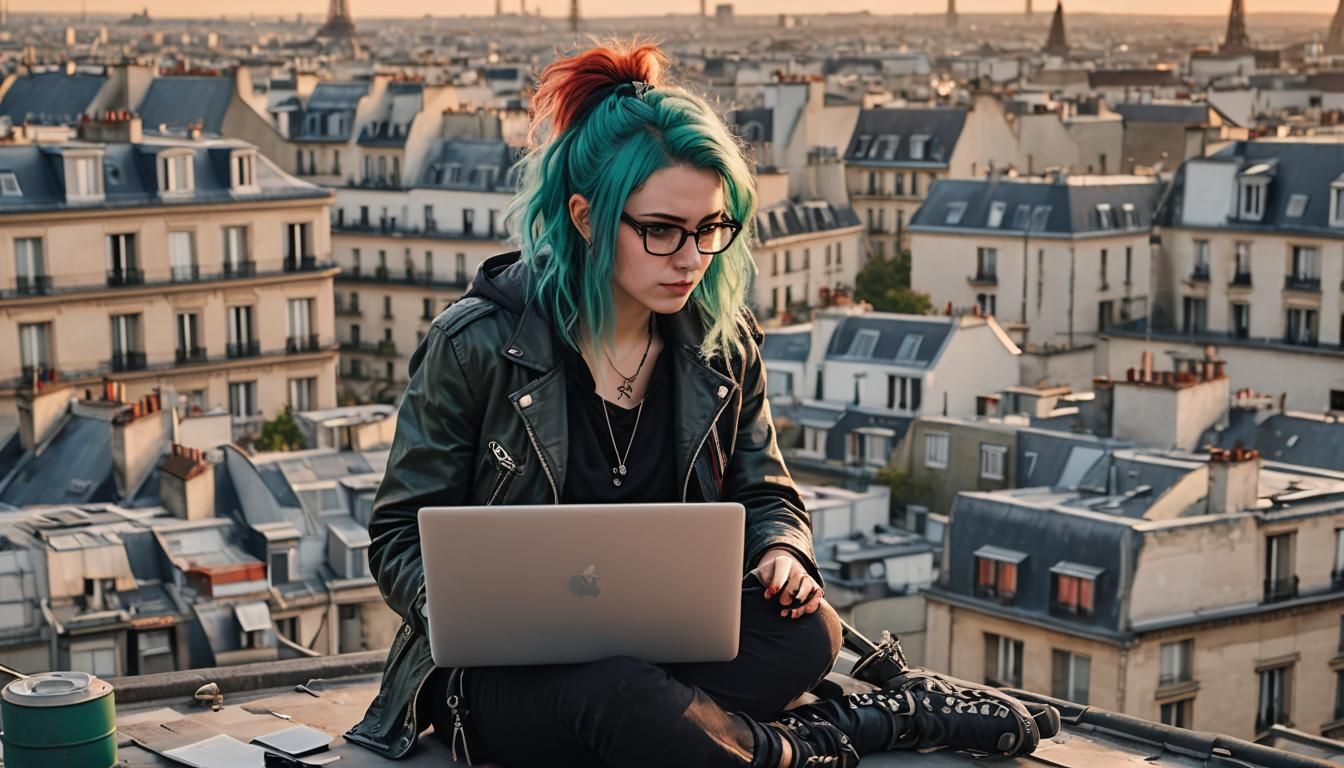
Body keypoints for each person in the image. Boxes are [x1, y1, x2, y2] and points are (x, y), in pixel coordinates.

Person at [345, 42, 1047, 768]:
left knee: (813, 634)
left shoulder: (721, 343)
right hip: (497, 679)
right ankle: (827, 739)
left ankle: (687, 731)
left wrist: (781, 551)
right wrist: (466, 612)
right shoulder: (477, 346)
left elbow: (765, 490)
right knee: (620, 696)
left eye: (712, 229)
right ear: (586, 218)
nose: (691, 258)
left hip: (665, 649)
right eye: (661, 231)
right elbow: (396, 532)